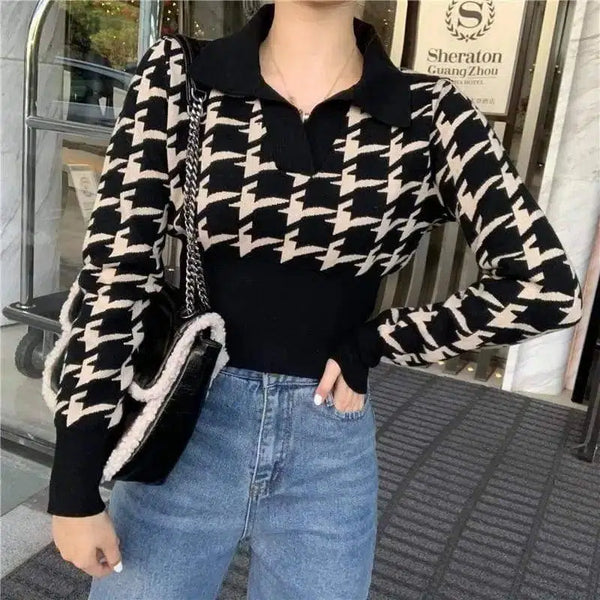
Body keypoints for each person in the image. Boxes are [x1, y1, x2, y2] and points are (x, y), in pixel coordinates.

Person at [44, 1, 583, 599]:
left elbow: (546, 287)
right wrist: (75, 479)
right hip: (187, 422)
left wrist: (380, 339)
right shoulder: (182, 77)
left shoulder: (431, 112)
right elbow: (116, 271)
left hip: (329, 441)